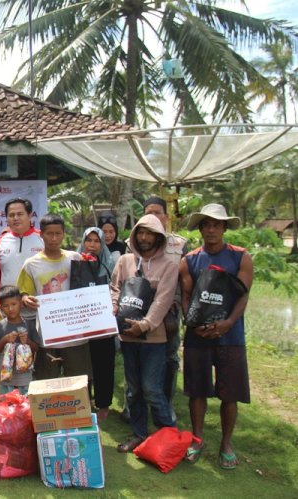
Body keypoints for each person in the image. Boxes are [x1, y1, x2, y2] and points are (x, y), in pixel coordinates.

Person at [180, 204, 253, 470]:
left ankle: (226, 443)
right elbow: (186, 297)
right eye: (206, 225)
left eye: (216, 225)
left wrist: (228, 323)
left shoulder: (240, 257)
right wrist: (192, 323)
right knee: (197, 390)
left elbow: (243, 294)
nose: (211, 229)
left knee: (229, 393)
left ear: (223, 228)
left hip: (230, 336)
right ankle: (197, 439)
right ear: (200, 229)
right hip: (197, 336)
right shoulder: (190, 259)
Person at [111, 214, 178, 453]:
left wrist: (146, 324)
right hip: (128, 336)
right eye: (141, 232)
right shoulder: (125, 261)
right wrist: (114, 307)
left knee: (151, 388)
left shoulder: (169, 265)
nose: (144, 237)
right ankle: (139, 434)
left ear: (159, 238)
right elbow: (115, 288)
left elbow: (164, 299)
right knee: (134, 388)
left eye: (150, 233)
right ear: (135, 235)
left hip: (154, 338)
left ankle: (168, 434)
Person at [17, 214, 85, 380]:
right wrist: (25, 299)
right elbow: (22, 293)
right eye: (49, 234)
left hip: (76, 333)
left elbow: (87, 289)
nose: (54, 238)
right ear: (42, 234)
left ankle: (79, 407)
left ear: (64, 233)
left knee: (79, 379)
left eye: (58, 233)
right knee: (47, 380)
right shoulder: (31, 264)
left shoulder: (75, 259)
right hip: (47, 334)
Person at [142, 196, 189, 417]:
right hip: (141, 311)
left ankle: (166, 404)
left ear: (166, 216)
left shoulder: (179, 245)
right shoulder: (134, 242)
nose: (153, 216)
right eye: (148, 212)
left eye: (157, 212)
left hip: (170, 312)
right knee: (137, 356)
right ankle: (134, 407)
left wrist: (175, 305)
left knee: (169, 357)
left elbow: (185, 281)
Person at [77, 227, 118, 421]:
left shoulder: (110, 264)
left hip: (102, 325)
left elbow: (116, 289)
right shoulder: (75, 263)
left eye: (96, 241)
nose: (92, 245)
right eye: (88, 240)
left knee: (103, 365)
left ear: (102, 244)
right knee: (83, 364)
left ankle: (103, 404)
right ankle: (85, 401)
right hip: (81, 324)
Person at [0, 198, 44, 304]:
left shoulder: (43, 238)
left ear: (29, 215)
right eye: (11, 215)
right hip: (7, 309)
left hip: (38, 307)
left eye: (20, 214)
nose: (15, 218)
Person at [0, 285, 41, 395]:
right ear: (0, 307)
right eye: (6, 306)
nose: (10, 309)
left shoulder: (28, 325)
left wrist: (27, 341)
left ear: (20, 304)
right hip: (6, 379)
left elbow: (36, 348)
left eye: (14, 304)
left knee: (25, 407)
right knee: (8, 408)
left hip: (25, 379)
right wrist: (4, 340)